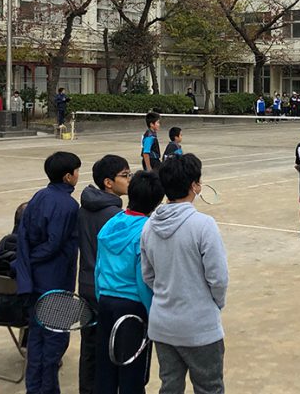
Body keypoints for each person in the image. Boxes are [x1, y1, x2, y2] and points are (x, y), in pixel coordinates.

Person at [141, 154, 229, 394]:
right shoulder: (203, 225)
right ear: (194, 186)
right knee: (209, 387)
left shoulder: (149, 225)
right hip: (199, 327)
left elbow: (148, 275)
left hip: (163, 325)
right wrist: (214, 304)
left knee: (170, 386)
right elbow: (218, 278)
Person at [15, 152, 82, 394]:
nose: (77, 175)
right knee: (54, 341)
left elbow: (22, 235)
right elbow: (54, 244)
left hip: (35, 280)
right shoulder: (68, 206)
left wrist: (26, 264)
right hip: (56, 281)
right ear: (67, 177)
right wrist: (34, 258)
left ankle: (34, 388)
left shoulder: (38, 197)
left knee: (36, 339)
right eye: (76, 171)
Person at [94, 170, 165, 394]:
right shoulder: (146, 231)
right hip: (132, 307)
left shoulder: (111, 223)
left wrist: (101, 296)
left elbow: (99, 267)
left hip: (106, 300)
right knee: (132, 371)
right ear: (157, 202)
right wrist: (151, 311)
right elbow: (143, 278)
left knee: (105, 368)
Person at [77, 155, 130, 394]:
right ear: (108, 182)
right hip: (104, 288)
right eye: (125, 175)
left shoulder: (85, 206)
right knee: (109, 347)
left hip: (86, 284)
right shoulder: (112, 215)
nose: (129, 180)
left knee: (89, 345)